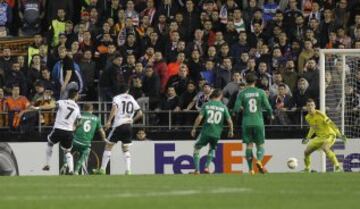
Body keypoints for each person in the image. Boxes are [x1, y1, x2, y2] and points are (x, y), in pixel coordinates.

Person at [94, 85, 143, 175]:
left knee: (108, 146)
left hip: (119, 125)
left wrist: (109, 121)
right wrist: (132, 120)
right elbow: (140, 113)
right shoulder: (131, 98)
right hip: (128, 125)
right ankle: (128, 170)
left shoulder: (117, 98)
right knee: (125, 148)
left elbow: (114, 108)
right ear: (127, 90)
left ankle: (102, 169)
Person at [233, 73, 273, 175]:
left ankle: (251, 170)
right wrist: (271, 115)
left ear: (246, 81)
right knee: (260, 144)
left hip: (246, 122)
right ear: (255, 82)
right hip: (258, 121)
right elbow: (268, 107)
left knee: (249, 145)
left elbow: (236, 109)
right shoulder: (261, 92)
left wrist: (238, 111)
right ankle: (259, 161)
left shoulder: (242, 93)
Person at [190, 89, 234, 174]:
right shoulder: (223, 106)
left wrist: (194, 128)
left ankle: (197, 170)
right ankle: (206, 168)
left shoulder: (206, 105)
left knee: (196, 148)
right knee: (212, 149)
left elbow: (199, 118)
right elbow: (229, 121)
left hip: (206, 132)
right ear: (220, 96)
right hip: (217, 133)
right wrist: (231, 130)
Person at [302, 98, 347, 173]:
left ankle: (338, 167)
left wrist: (339, 134)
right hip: (319, 137)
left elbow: (331, 124)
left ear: (315, 106)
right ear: (306, 107)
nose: (310, 107)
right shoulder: (307, 117)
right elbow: (313, 127)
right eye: (308, 105)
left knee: (325, 148)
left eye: (312, 105)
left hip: (329, 135)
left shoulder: (321, 115)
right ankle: (307, 169)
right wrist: (308, 137)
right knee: (306, 152)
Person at [43, 89, 81, 175]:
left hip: (58, 129)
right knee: (67, 151)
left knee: (50, 143)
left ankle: (47, 164)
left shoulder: (62, 102)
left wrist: (39, 107)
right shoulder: (77, 107)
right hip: (69, 131)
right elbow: (79, 121)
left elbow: (52, 106)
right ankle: (71, 170)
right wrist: (74, 127)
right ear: (75, 96)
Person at [70, 103, 106, 175]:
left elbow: (72, 127)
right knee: (84, 153)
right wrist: (104, 139)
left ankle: (66, 164)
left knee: (68, 152)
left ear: (83, 109)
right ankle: (76, 171)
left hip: (75, 140)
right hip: (86, 143)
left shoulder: (79, 116)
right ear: (92, 109)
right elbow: (101, 131)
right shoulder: (96, 118)